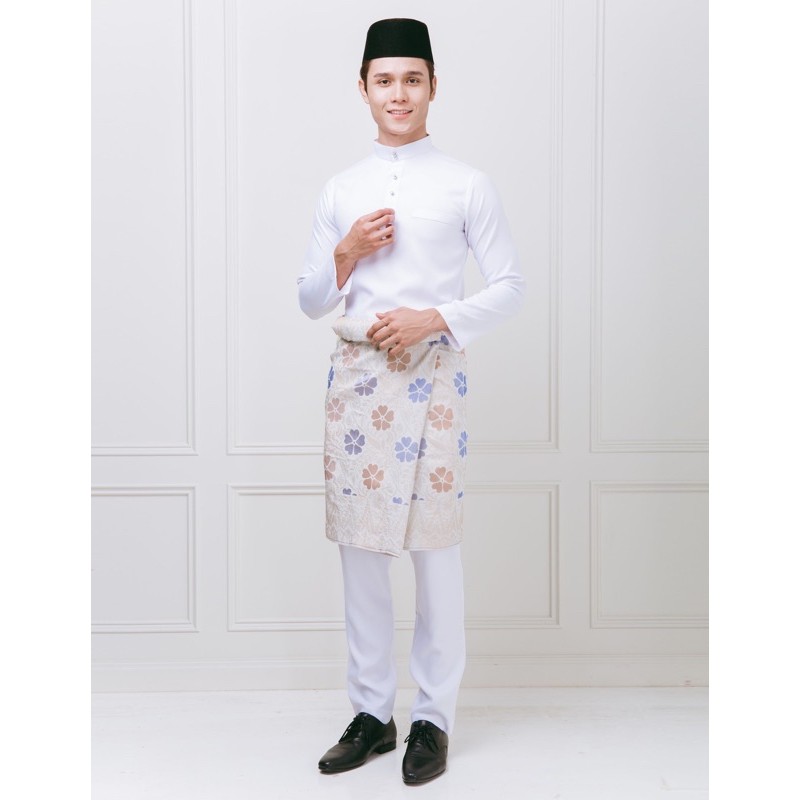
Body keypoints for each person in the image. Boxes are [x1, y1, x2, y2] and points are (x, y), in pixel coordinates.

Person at [297, 17, 525, 785]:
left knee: (434, 552)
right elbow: (309, 300)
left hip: (433, 380)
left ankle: (433, 718)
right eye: (385, 80)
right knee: (361, 552)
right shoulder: (340, 189)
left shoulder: (467, 184)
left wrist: (437, 317)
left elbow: (510, 287)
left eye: (413, 79)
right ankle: (372, 714)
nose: (399, 93)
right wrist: (346, 253)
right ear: (363, 89)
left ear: (433, 87)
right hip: (358, 383)